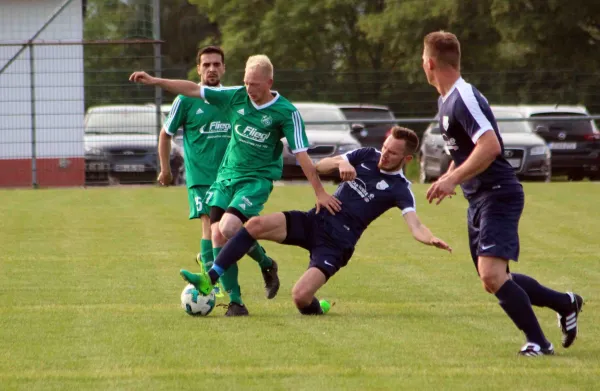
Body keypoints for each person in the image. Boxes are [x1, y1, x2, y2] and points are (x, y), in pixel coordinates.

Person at [130, 55, 341, 315]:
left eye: (254, 84)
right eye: (246, 83)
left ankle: (213, 279)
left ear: (269, 82)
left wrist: (320, 192)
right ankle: (237, 302)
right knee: (217, 233)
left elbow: (302, 156)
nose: (249, 89)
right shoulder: (236, 96)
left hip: (254, 181)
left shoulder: (286, 112)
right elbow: (192, 89)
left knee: (229, 228)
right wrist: (154, 81)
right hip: (225, 177)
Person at [422, 31, 583, 356]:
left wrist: (452, 180)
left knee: (492, 275)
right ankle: (565, 303)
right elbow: (466, 149)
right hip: (479, 198)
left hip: (498, 193)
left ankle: (539, 342)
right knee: (494, 278)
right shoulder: (445, 101)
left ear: (430, 63)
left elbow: (490, 146)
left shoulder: (463, 97)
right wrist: (449, 176)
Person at [179, 126, 452, 315]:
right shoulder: (367, 155)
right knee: (253, 225)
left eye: (392, 153)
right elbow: (318, 167)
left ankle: (318, 307)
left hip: (336, 244)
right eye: (385, 147)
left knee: (300, 298)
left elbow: (415, 225)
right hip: (315, 220)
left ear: (406, 158)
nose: (385, 154)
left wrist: (430, 238)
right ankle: (210, 278)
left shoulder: (400, 189)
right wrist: (341, 164)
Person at [158, 46, 276, 316]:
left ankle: (264, 262)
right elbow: (166, 134)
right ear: (198, 69)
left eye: (216, 64)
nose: (211, 69)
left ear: (223, 68)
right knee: (212, 230)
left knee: (234, 231)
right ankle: (225, 293)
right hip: (201, 179)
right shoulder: (186, 101)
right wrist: (165, 170)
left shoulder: (235, 98)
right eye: (206, 64)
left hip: (235, 179)